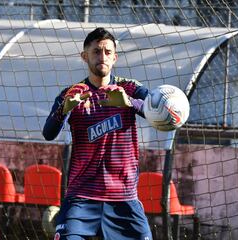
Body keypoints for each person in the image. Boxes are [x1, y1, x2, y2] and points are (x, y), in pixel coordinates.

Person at [43, 27, 152, 240]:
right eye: (96, 51)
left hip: (123, 198)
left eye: (107, 52)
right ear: (85, 56)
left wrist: (129, 103)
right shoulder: (71, 94)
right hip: (82, 197)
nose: (102, 56)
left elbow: (159, 112)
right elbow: (49, 133)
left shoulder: (129, 89)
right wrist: (65, 108)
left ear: (115, 57)